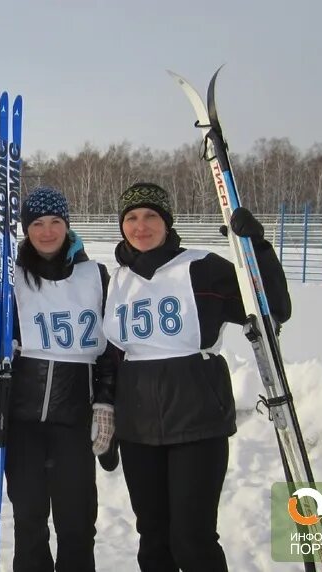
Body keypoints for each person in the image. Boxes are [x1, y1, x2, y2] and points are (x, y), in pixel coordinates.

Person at [102, 182, 291, 572]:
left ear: (167, 223)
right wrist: (106, 414)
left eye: (151, 216)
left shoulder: (203, 267)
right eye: (132, 218)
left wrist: (257, 248)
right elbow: (111, 354)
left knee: (192, 539)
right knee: (153, 537)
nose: (141, 226)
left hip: (197, 422)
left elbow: (274, 308)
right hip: (138, 429)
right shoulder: (115, 280)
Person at [3, 187, 120, 572]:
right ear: (26, 230)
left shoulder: (95, 276)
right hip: (23, 421)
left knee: (76, 523)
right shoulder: (11, 278)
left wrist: (105, 400)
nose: (47, 231)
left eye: (55, 222)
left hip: (74, 418)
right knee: (29, 524)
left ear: (68, 226)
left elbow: (111, 347)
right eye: (37, 223)